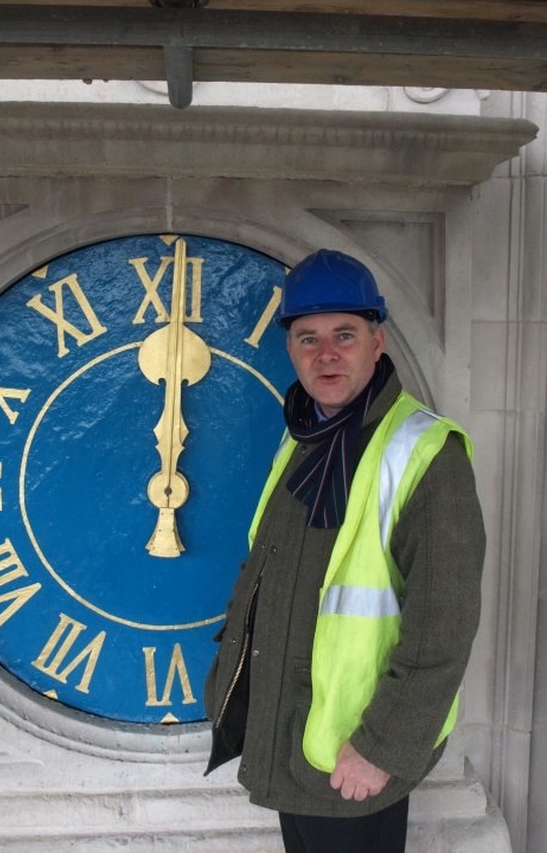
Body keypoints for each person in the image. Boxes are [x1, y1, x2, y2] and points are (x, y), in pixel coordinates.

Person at [204, 249, 485, 853]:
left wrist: (382, 747)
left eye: (344, 335)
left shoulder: (427, 454)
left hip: (356, 758)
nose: (326, 353)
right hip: (294, 740)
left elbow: (445, 628)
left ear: (376, 342)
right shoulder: (303, 438)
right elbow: (265, 571)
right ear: (290, 350)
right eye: (308, 337)